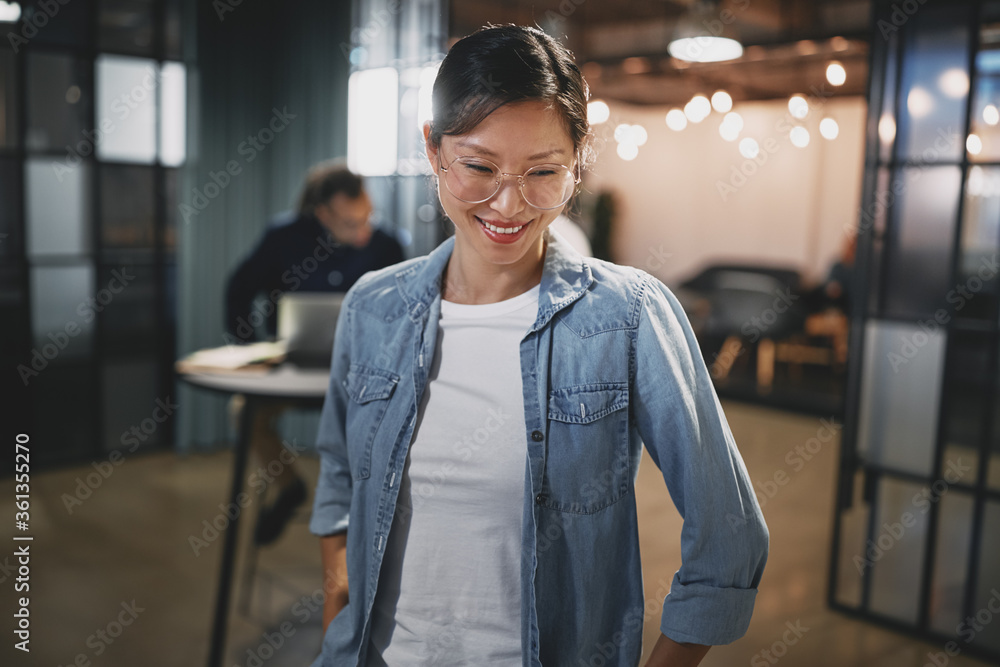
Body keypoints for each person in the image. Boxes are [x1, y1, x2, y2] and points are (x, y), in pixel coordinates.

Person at [309, 25, 767, 667]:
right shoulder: (373, 308)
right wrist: (339, 616)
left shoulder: (628, 318)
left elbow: (730, 535)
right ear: (433, 150)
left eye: (543, 172)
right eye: (478, 166)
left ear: (578, 162)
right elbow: (338, 480)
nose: (509, 203)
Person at [225, 161, 404, 545]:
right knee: (244, 412)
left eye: (367, 218)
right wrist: (252, 348)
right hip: (295, 366)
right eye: (350, 224)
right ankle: (289, 485)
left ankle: (366, 513)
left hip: (364, 373)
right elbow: (238, 289)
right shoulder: (284, 237)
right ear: (323, 214)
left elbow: (406, 310)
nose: (363, 232)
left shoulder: (387, 245)